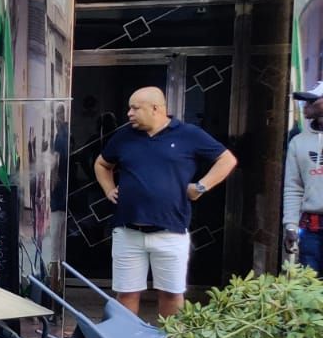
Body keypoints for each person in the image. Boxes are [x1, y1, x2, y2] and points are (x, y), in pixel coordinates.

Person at [93, 86, 237, 318]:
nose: (129, 113)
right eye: (129, 108)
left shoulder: (189, 134)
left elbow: (227, 160)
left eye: (135, 108)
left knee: (171, 294)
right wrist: (109, 189)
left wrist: (201, 186)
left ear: (156, 109)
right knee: (126, 294)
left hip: (171, 231)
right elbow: (102, 164)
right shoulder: (124, 136)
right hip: (128, 230)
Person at [282, 79, 323, 272]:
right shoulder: (298, 142)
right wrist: (290, 225)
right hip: (312, 230)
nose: (305, 106)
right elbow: (293, 187)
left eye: (311, 101)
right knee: (310, 293)